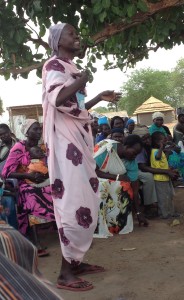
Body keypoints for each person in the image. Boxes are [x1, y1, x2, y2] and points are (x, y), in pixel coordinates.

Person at [42, 23, 121, 291]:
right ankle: (65, 273)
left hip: (79, 141)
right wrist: (82, 80)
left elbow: (74, 107)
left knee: (87, 198)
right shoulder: (53, 65)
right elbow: (57, 99)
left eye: (77, 33)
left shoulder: (70, 68)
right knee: (73, 202)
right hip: (67, 146)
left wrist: (98, 96)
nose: (77, 36)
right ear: (57, 40)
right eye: (71, 34)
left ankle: (76, 262)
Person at [2, 119, 55, 255]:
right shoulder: (19, 147)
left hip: (45, 179)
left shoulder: (44, 146)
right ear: (27, 132)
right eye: (35, 129)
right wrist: (29, 176)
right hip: (25, 182)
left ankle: (65, 232)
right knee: (30, 194)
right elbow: (6, 172)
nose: (38, 132)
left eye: (39, 129)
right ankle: (34, 241)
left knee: (60, 190)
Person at [94, 135, 148, 237]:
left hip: (111, 186)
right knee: (104, 185)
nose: (134, 156)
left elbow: (135, 189)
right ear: (126, 146)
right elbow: (92, 171)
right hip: (92, 180)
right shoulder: (107, 148)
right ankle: (98, 223)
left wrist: (139, 213)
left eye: (137, 154)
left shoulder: (131, 162)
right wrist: (117, 177)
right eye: (134, 152)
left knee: (126, 187)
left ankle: (116, 223)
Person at [151, 131, 178, 218]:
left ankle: (171, 212)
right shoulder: (155, 151)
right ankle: (164, 214)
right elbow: (158, 157)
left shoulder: (159, 151)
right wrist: (162, 147)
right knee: (162, 197)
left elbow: (162, 160)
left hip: (165, 177)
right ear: (157, 142)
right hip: (159, 178)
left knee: (169, 195)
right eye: (163, 140)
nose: (165, 141)